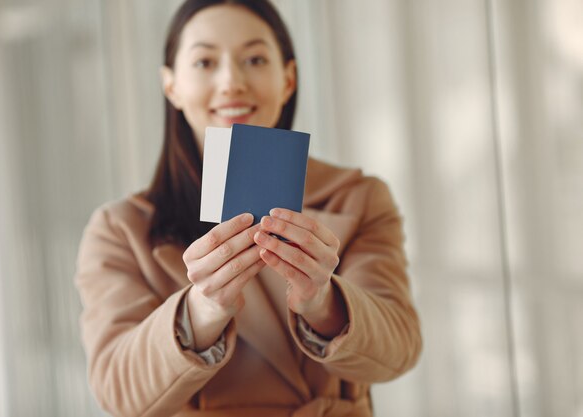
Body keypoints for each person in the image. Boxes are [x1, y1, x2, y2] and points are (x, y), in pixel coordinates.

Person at [74, 0, 422, 416]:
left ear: (288, 78)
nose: (232, 81)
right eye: (205, 62)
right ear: (172, 86)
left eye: (255, 59)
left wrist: (324, 303)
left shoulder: (359, 198)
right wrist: (201, 311)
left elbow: (400, 349)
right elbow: (118, 393)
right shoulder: (121, 230)